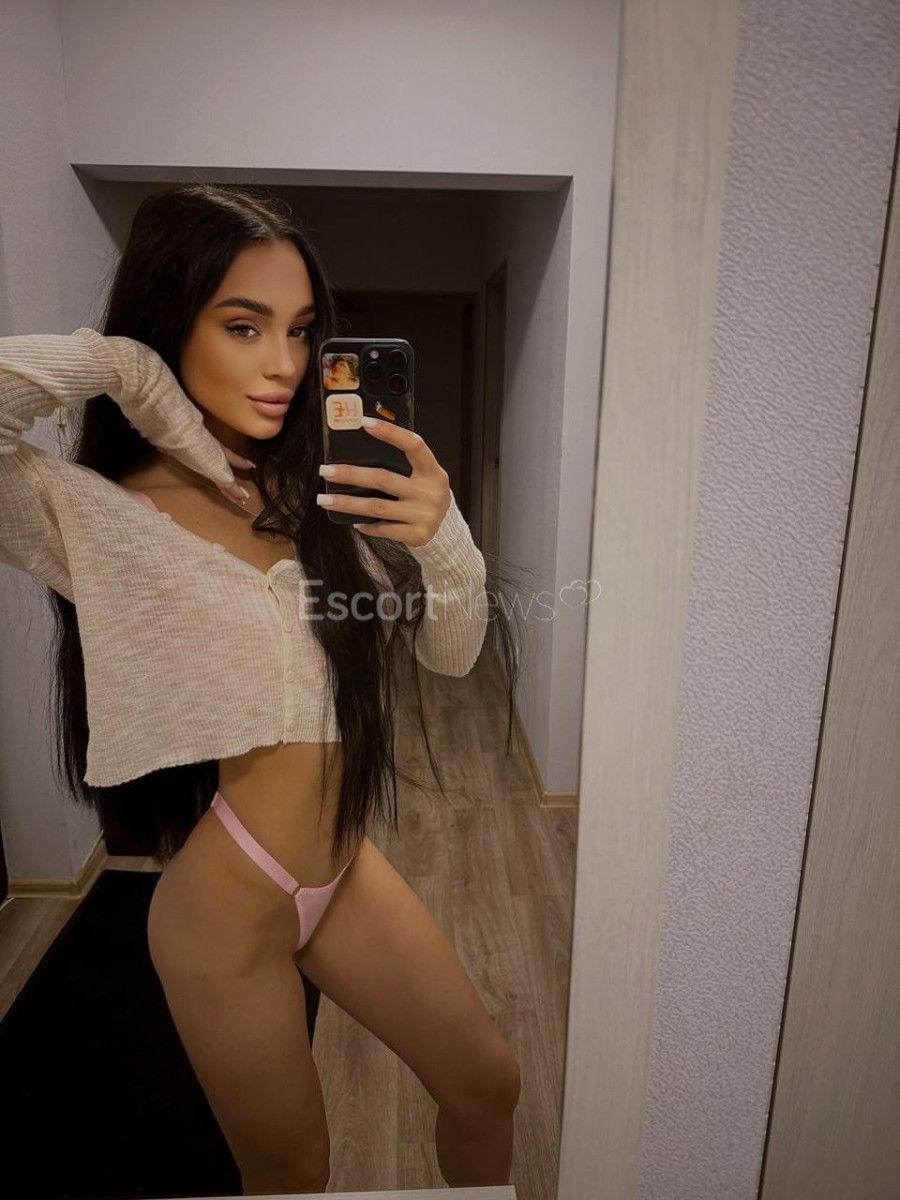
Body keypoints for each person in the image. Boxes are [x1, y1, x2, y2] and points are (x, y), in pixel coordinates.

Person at [0, 183, 524, 1195]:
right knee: (292, 1174)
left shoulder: (314, 491)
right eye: (243, 326)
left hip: (343, 865)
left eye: (300, 329)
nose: (284, 364)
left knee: (488, 1087)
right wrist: (126, 370)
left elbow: (452, 659)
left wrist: (445, 535)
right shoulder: (103, 517)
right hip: (225, 908)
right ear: (170, 322)